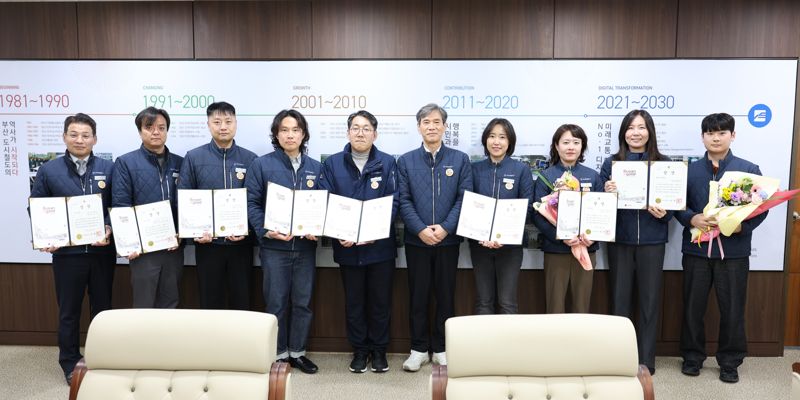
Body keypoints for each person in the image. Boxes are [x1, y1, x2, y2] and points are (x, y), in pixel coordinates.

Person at [675, 113, 767, 383]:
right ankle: (692, 357)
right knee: (692, 306)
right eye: (710, 133)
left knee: (733, 308)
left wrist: (740, 227)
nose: (716, 138)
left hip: (734, 252)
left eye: (722, 132)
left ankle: (730, 362)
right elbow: (676, 204)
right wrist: (691, 218)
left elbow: (761, 208)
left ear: (732, 135)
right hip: (696, 250)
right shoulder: (689, 170)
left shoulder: (748, 170)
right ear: (702, 137)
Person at [29, 113, 114, 385]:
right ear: (64, 137)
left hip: (102, 253)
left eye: (86, 135)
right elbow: (36, 207)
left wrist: (109, 226)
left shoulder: (109, 168)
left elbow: (117, 204)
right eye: (74, 134)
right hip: (67, 255)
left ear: (95, 139)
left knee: (103, 310)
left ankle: (102, 358)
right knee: (69, 311)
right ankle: (69, 363)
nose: (80, 140)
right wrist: (45, 235)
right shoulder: (49, 170)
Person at [320, 110, 398, 373]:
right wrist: (338, 232)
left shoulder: (388, 163)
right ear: (348, 132)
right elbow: (325, 200)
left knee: (380, 302)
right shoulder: (332, 164)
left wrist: (376, 231)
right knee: (354, 303)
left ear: (375, 134)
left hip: (380, 248)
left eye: (366, 128)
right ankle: (360, 351)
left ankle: (379, 351)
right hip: (347, 248)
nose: (360, 133)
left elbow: (395, 201)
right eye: (355, 128)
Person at [245, 109, 323, 374]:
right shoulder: (261, 165)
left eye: (296, 130)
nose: (290, 135)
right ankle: (278, 354)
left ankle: (298, 352)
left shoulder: (316, 168)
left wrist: (318, 228)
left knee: (302, 302)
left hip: (305, 248)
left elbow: (324, 204)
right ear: (276, 135)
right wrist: (266, 230)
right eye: (284, 130)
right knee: (276, 302)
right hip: (274, 248)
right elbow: (252, 203)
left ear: (304, 134)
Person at [397, 103, 472, 371]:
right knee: (418, 296)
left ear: (444, 126)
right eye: (426, 122)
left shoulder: (460, 159)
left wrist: (445, 228)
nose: (431, 126)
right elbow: (403, 199)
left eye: (436, 122)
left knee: (445, 295)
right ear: (419, 127)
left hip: (447, 240)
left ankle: (441, 348)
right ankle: (418, 349)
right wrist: (420, 229)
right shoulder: (406, 161)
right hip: (416, 241)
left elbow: (464, 198)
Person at [600, 110, 672, 375]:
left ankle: (646, 360)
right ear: (624, 133)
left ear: (650, 131)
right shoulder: (611, 163)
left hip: (653, 240)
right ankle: (619, 358)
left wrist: (666, 213)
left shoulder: (664, 164)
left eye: (641, 127)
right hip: (620, 239)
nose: (636, 133)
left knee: (649, 302)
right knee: (619, 300)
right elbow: (599, 205)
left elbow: (675, 203)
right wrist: (607, 194)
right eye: (631, 128)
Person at [178, 102, 257, 310]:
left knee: (242, 301)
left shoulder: (250, 159)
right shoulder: (194, 157)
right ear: (208, 125)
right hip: (208, 246)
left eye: (228, 121)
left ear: (236, 124)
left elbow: (256, 200)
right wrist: (194, 232)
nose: (223, 127)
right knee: (210, 301)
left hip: (241, 245)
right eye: (217, 122)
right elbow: (184, 198)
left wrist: (248, 230)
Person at [112, 107, 184, 308]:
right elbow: (121, 205)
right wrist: (129, 243)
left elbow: (186, 204)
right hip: (143, 252)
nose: (156, 132)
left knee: (171, 303)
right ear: (140, 131)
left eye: (161, 127)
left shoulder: (180, 162)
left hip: (173, 248)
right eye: (149, 127)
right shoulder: (126, 163)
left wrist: (182, 234)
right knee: (144, 305)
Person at [532, 124, 603, 314]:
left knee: (582, 306)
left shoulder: (593, 176)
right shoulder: (546, 177)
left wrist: (593, 236)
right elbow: (537, 214)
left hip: (586, 248)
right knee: (554, 306)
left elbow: (602, 212)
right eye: (565, 142)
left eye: (576, 142)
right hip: (556, 250)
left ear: (582, 146)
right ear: (556, 146)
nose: (571, 147)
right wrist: (560, 236)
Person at [468, 118, 534, 314]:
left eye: (502, 137)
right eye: (492, 136)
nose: (496, 142)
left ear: (510, 141)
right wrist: (480, 235)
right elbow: (467, 204)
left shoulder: (521, 170)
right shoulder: (474, 169)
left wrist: (503, 237)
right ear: (485, 140)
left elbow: (527, 208)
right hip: (480, 245)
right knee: (483, 302)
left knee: (507, 303)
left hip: (510, 247)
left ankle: (508, 337)